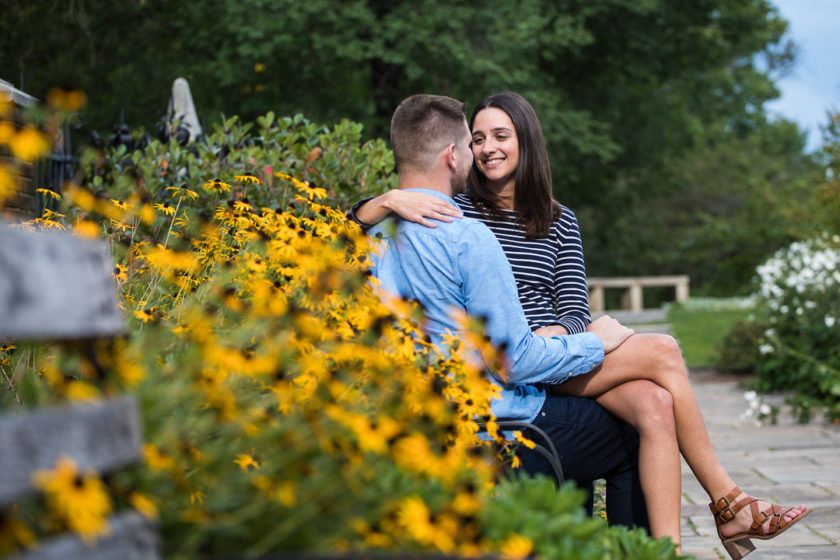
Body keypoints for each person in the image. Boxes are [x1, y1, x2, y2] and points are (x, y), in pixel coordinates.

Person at [355, 91, 811, 557]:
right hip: (520, 363)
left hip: (556, 351)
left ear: (526, 141)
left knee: (654, 403)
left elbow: (574, 306)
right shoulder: (459, 213)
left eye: (500, 135)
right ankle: (728, 502)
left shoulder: (558, 219)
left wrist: (567, 334)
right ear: (460, 153)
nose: (488, 147)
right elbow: (372, 223)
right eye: (478, 138)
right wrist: (383, 201)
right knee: (664, 352)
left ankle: (667, 550)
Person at [368, 93, 653, 533]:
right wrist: (596, 342)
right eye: (471, 143)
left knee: (603, 418)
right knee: (628, 436)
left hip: (410, 423)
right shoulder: (469, 235)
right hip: (496, 425)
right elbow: (514, 361)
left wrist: (383, 203)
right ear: (451, 155)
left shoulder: (371, 235)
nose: (478, 153)